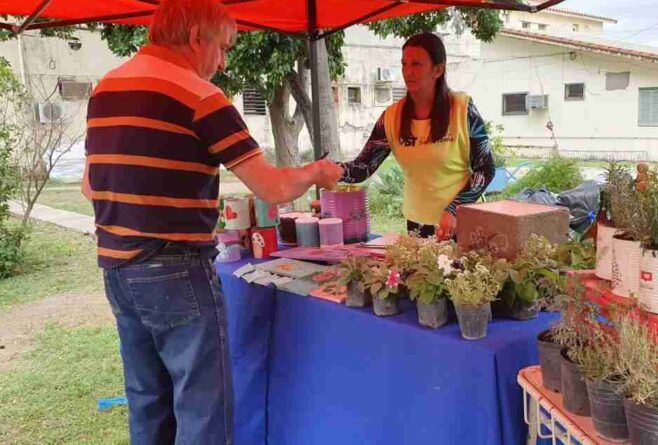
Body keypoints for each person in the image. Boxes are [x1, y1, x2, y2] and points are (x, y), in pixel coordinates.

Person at [80, 0, 341, 443]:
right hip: (176, 267)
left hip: (117, 268)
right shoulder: (200, 96)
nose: (222, 63)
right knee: (203, 409)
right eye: (223, 47)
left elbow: (90, 186)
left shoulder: (106, 88)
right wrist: (316, 171)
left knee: (147, 401)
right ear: (196, 37)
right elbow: (273, 188)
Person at [339, 33, 495, 240]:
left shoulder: (463, 109)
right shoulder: (391, 117)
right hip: (418, 223)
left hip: (461, 220)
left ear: (438, 70)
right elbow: (363, 167)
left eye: (416, 64)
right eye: (404, 64)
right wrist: (328, 170)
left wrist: (454, 208)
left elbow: (485, 169)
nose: (408, 72)